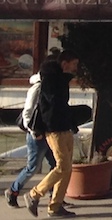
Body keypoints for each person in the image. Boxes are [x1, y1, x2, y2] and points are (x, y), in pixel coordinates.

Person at [24, 51, 80, 218]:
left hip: (64, 127)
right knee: (62, 166)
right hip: (54, 129)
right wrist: (41, 129)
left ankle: (55, 206)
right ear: (65, 63)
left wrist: (71, 124)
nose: (76, 68)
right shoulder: (50, 81)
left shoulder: (61, 80)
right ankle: (34, 195)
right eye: (74, 64)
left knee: (67, 168)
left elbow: (63, 105)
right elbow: (51, 106)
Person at [6, 73, 56, 207]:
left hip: (49, 134)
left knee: (56, 166)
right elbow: (27, 112)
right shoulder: (38, 88)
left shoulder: (52, 87)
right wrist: (34, 132)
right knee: (32, 167)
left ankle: (55, 197)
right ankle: (13, 191)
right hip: (38, 134)